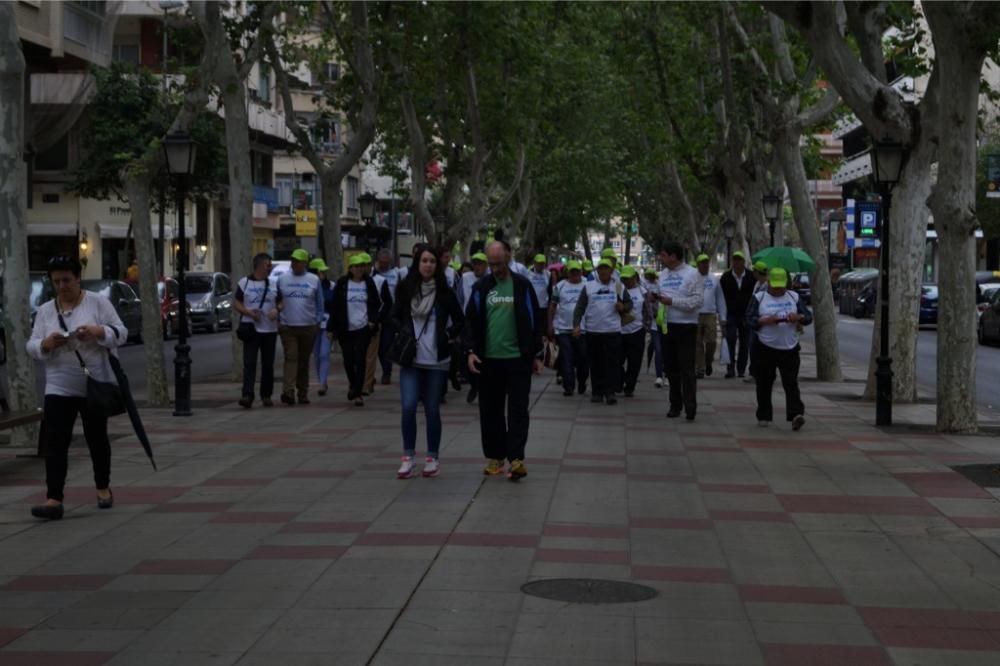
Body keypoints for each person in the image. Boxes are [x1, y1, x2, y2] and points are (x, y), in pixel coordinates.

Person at [27, 255, 128, 520]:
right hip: (58, 385)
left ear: (78, 278)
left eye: (67, 280)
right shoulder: (46, 310)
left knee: (96, 438)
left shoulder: (98, 302)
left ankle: (103, 486)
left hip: (93, 383)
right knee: (56, 442)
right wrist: (45, 345)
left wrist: (97, 332)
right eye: (56, 281)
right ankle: (54, 498)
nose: (62, 286)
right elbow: (32, 344)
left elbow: (121, 333)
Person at [464, 241, 544, 481]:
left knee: (518, 410)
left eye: (499, 264)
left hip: (518, 359)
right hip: (489, 360)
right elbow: (471, 320)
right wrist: (470, 351)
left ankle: (516, 458)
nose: (495, 269)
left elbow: (534, 320)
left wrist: (536, 353)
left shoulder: (522, 285)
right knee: (491, 411)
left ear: (509, 257)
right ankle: (496, 456)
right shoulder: (482, 287)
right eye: (491, 264)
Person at [393, 247, 465, 479]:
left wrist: (448, 335)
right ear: (417, 262)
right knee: (408, 407)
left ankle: (432, 458)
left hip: (437, 360)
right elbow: (392, 316)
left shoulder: (444, 292)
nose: (428, 265)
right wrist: (403, 331)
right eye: (424, 260)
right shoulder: (406, 289)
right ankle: (408, 457)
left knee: (432, 410)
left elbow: (461, 320)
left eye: (432, 261)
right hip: (411, 360)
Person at [746, 267, 811, 430]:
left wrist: (799, 317)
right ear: (768, 282)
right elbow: (749, 319)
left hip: (789, 348)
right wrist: (766, 320)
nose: (778, 289)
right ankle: (764, 414)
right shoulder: (759, 297)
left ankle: (796, 414)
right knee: (764, 383)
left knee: (790, 382)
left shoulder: (794, 297)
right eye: (775, 286)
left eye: (781, 286)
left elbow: (808, 317)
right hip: (765, 348)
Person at [573, 258, 631, 405]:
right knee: (595, 363)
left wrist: (623, 307)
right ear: (597, 271)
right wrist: (576, 325)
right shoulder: (589, 286)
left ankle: (610, 393)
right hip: (593, 331)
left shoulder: (619, 286)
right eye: (601, 268)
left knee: (612, 363)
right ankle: (597, 392)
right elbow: (579, 307)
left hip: (613, 331)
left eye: (606, 268)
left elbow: (629, 303)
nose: (604, 271)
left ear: (612, 271)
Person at [657, 241, 704, 420]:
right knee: (670, 368)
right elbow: (663, 297)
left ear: (673, 256)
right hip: (667, 326)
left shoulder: (693, 274)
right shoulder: (663, 275)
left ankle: (690, 406)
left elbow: (696, 302)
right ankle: (675, 404)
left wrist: (673, 302)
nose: (661, 258)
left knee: (687, 368)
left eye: (663, 255)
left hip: (686, 326)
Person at [331, 253, 385, 406]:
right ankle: (353, 385)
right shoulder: (342, 283)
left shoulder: (369, 283)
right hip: (345, 328)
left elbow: (377, 304)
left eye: (362, 266)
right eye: (357, 266)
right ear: (350, 268)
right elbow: (335, 307)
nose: (360, 269)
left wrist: (372, 321)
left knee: (360, 359)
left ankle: (358, 391)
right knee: (348, 360)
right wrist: (331, 328)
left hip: (363, 328)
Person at [277, 248, 325, 405]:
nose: (295, 264)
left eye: (298, 261)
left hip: (308, 326)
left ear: (305, 263)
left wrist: (317, 321)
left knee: (304, 360)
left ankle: (303, 392)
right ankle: (288, 391)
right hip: (288, 326)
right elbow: (276, 300)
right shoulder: (282, 279)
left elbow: (320, 304)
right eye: (293, 261)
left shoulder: (313, 280)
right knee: (291, 357)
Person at [234, 253, 280, 408]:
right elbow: (236, 303)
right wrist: (248, 313)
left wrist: (277, 310)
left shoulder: (274, 283)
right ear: (260, 266)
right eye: (268, 265)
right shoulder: (244, 283)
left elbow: (281, 302)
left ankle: (266, 395)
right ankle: (247, 395)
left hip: (269, 330)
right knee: (249, 363)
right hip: (251, 329)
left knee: (268, 364)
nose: (270, 268)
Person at [549, 260, 589, 397]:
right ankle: (569, 386)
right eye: (572, 271)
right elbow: (552, 306)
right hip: (564, 329)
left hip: (583, 329)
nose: (575, 274)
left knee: (583, 360)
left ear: (581, 272)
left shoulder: (587, 285)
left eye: (577, 271)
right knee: (567, 358)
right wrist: (550, 325)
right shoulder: (560, 286)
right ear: (568, 272)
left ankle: (582, 381)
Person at [720, 251, 755, 379]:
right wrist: (722, 315)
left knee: (745, 342)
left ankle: (741, 369)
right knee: (730, 340)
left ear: (744, 262)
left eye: (739, 260)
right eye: (734, 260)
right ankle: (730, 369)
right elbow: (721, 297)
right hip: (731, 314)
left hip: (746, 315)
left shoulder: (751, 277)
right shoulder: (726, 277)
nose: (737, 262)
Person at [363, 255, 394, 396]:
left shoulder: (380, 280)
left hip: (378, 323)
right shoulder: (349, 281)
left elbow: (387, 303)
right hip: (356, 325)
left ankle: (368, 382)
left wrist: (377, 319)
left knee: (378, 351)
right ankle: (365, 380)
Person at [695, 254, 727, 379]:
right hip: (695, 314)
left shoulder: (714, 279)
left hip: (710, 314)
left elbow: (720, 299)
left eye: (707, 263)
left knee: (712, 342)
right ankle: (700, 368)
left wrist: (723, 317)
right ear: (698, 265)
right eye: (703, 263)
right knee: (697, 343)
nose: (705, 265)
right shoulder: (692, 278)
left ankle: (708, 362)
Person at [307, 258, 335, 396]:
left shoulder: (331, 286)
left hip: (327, 325)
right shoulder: (308, 286)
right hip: (313, 324)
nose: (323, 274)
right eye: (320, 271)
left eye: (324, 272)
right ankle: (321, 379)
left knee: (325, 354)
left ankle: (322, 383)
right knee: (317, 355)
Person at [374, 249, 401, 385]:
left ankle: (387, 372)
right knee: (376, 347)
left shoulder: (396, 274)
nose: (384, 265)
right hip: (375, 314)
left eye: (386, 262)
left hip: (390, 315)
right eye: (381, 262)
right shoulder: (373, 274)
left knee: (386, 344)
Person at [619, 266, 645, 397]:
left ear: (635, 277)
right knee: (617, 361)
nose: (626, 281)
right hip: (619, 331)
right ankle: (620, 381)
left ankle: (630, 387)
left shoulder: (642, 291)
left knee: (634, 362)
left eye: (628, 278)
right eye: (623, 278)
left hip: (637, 331)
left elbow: (649, 309)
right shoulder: (618, 290)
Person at [747, 260, 770, 383]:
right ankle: (754, 372)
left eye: (754, 271)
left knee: (760, 348)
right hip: (754, 319)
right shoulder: (757, 284)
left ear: (757, 272)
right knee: (753, 347)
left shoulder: (767, 286)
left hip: (763, 319)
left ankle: (760, 372)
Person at [642, 267, 665, 387]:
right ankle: (659, 376)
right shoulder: (647, 287)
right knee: (658, 349)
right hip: (655, 324)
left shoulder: (663, 288)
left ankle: (666, 372)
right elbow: (648, 304)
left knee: (665, 349)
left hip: (667, 325)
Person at [528, 253, 551, 332]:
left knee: (542, 328)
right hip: (532, 305)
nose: (540, 265)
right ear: (534, 263)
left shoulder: (548, 274)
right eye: (539, 263)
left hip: (544, 305)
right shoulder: (528, 273)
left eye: (542, 263)